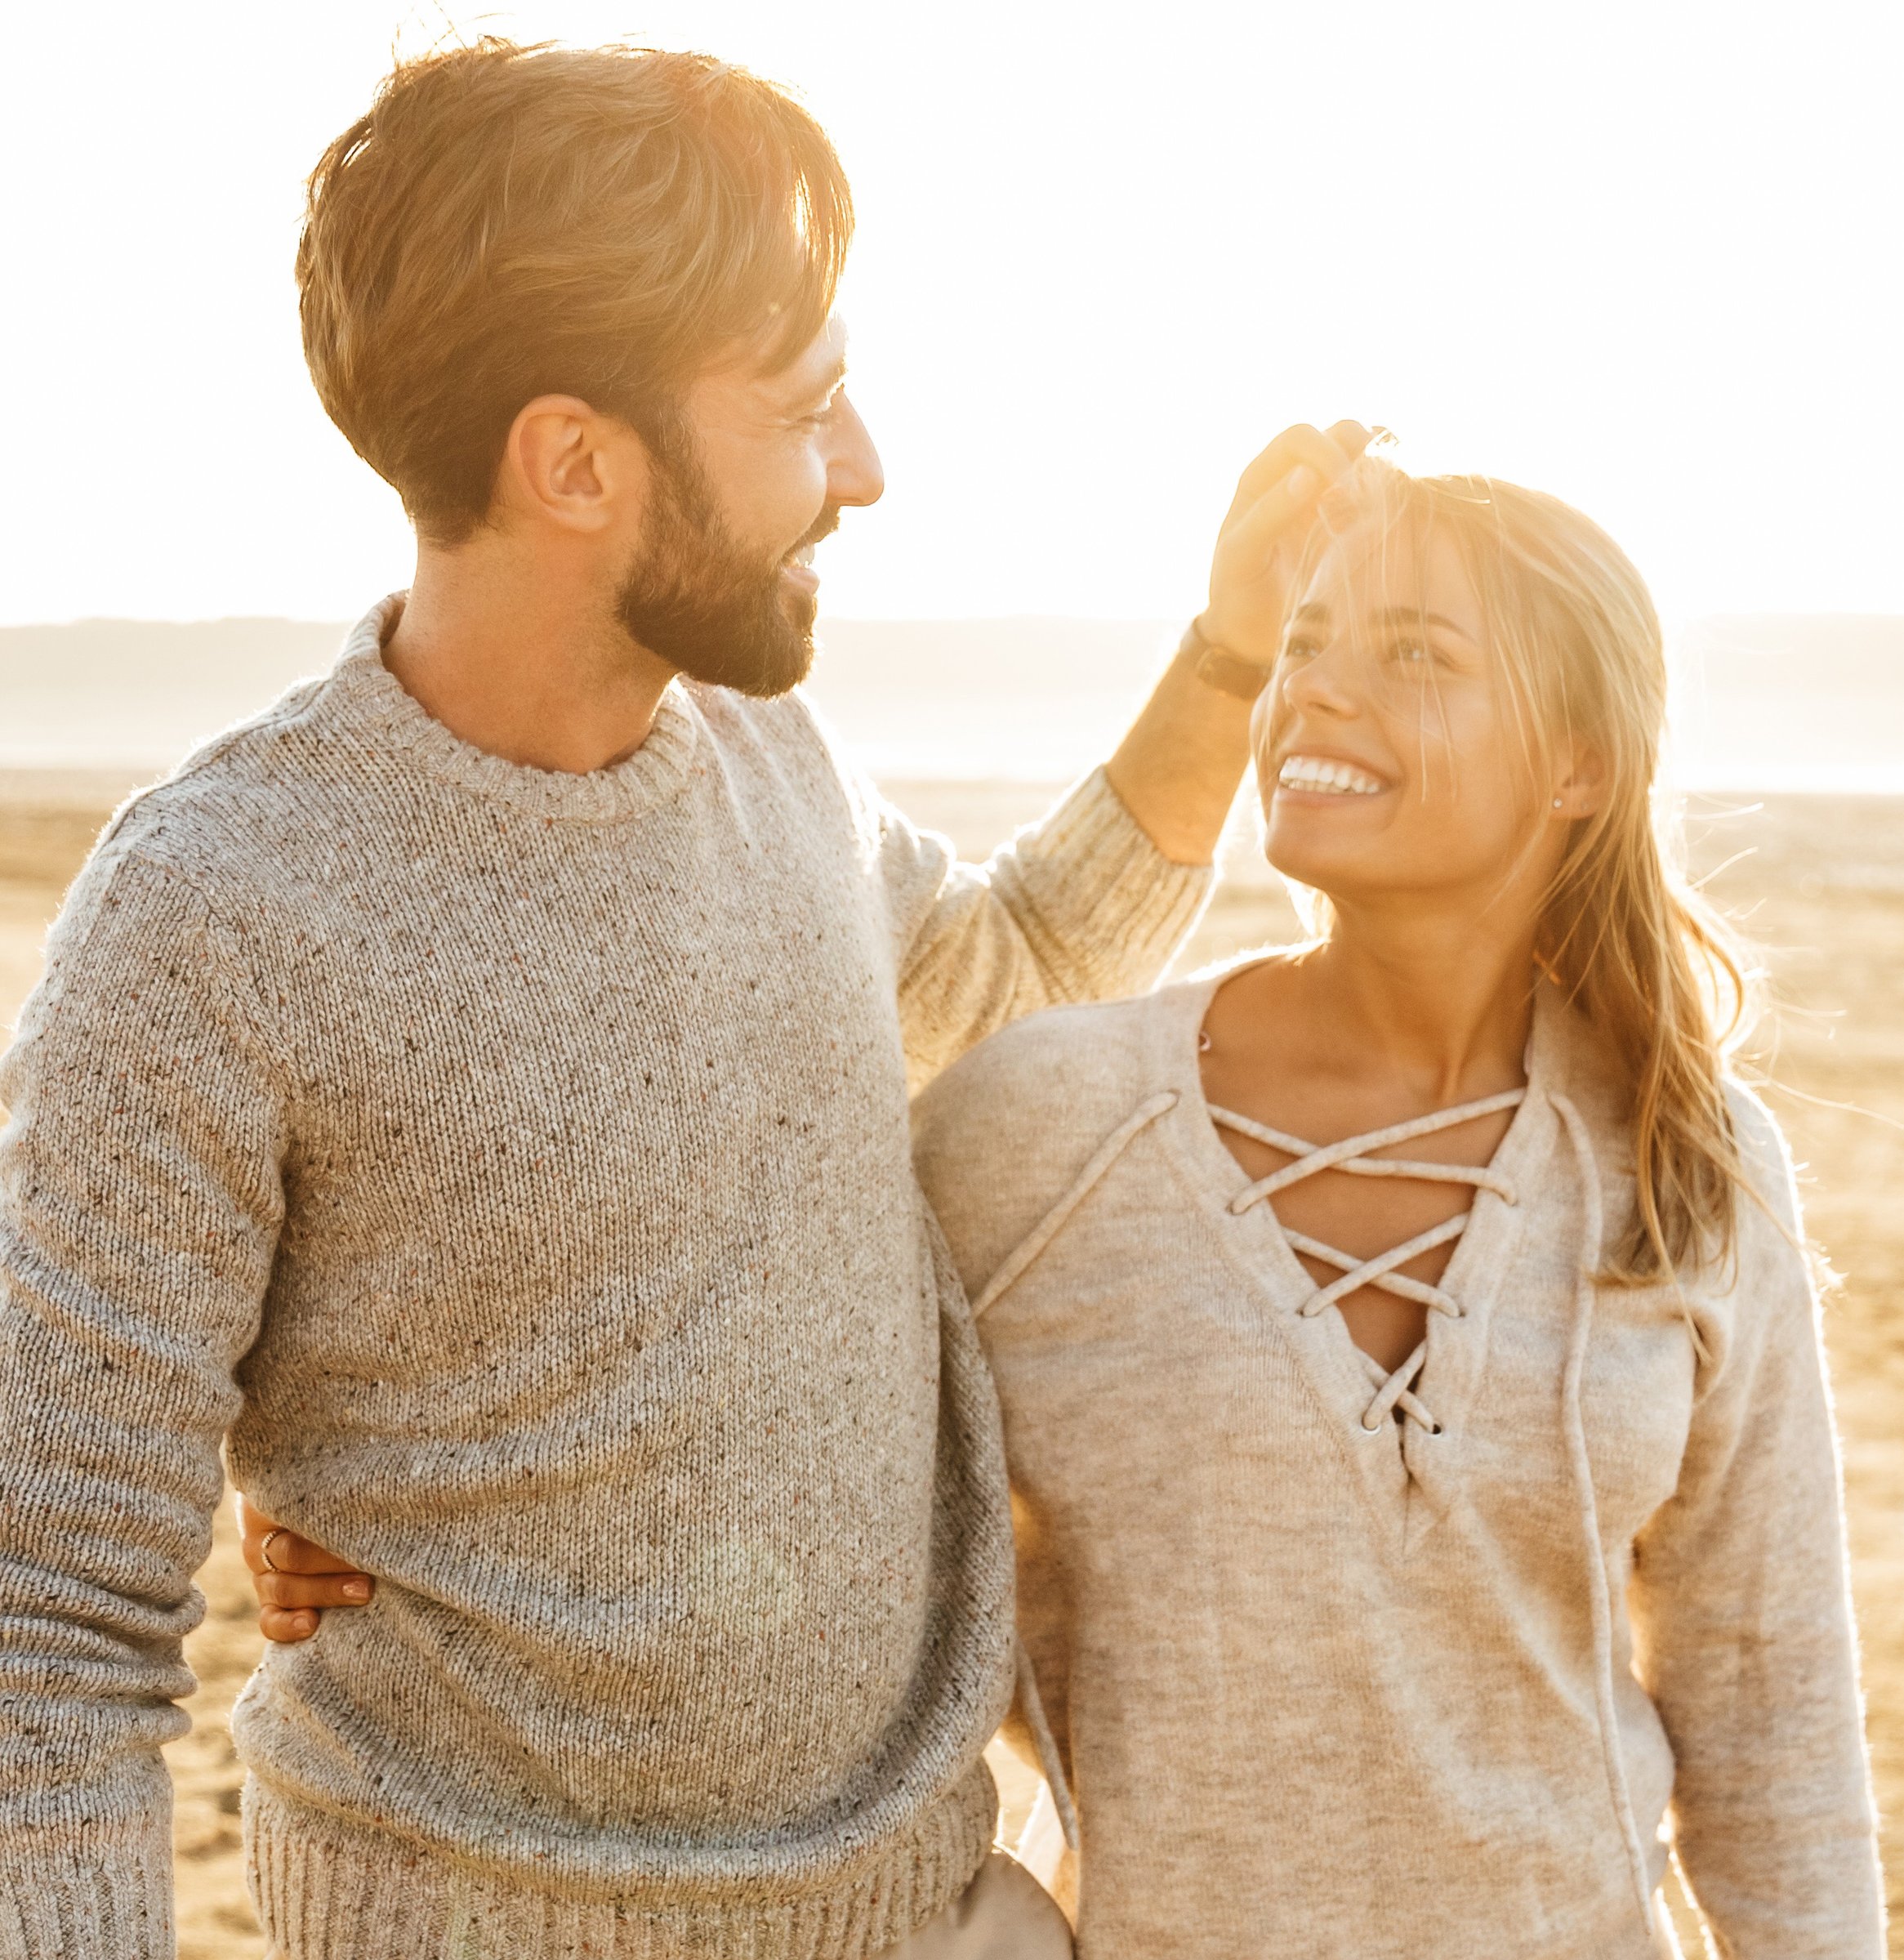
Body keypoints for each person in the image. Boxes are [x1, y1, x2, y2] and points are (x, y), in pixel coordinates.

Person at [0, 39, 1367, 1960]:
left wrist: (1229, 656)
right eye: (807, 410)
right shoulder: (214, 913)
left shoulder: (768, 754)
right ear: (574, 461)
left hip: (927, 1908)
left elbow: (1010, 970)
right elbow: (48, 1636)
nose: (868, 469)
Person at [257, 460, 1892, 1958]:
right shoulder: (1050, 1127)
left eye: (1414, 654)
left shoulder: (1687, 1159)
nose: (1316, 683)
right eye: (1306, 642)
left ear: (1579, 764)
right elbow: (745, 1441)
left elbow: (1770, 1733)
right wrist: (430, 1518)